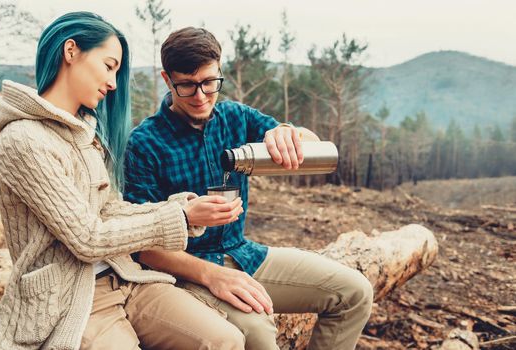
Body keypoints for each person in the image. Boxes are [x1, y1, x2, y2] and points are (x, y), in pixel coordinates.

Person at [0, 13, 245, 350]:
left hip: (126, 279)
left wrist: (180, 206)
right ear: (71, 51)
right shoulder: (23, 141)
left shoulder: (82, 133)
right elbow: (87, 237)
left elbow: (108, 210)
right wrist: (180, 218)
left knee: (225, 340)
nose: (113, 83)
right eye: (109, 66)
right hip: (71, 298)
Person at [124, 27, 374, 350]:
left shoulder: (236, 117)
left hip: (243, 253)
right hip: (186, 273)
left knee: (354, 293)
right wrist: (211, 275)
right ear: (167, 80)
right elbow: (142, 246)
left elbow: (309, 144)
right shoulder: (145, 143)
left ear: (219, 72)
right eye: (187, 85)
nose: (201, 96)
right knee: (257, 334)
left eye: (209, 82)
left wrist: (288, 132)